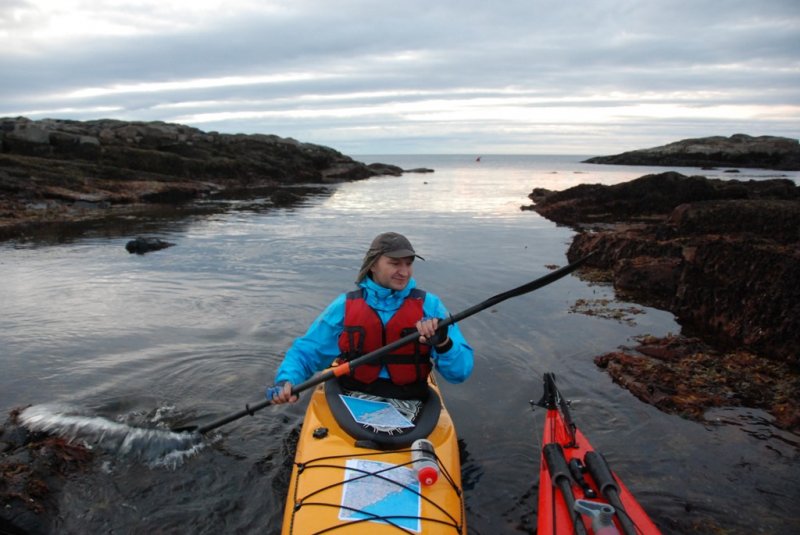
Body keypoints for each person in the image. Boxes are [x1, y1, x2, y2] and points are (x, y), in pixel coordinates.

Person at [266, 232, 473, 405]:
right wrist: (287, 379)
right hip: (351, 394)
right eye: (394, 263)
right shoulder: (345, 306)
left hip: (411, 398)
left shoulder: (430, 306)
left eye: (409, 264)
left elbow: (460, 373)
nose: (404, 272)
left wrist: (444, 344)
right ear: (373, 265)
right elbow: (308, 351)